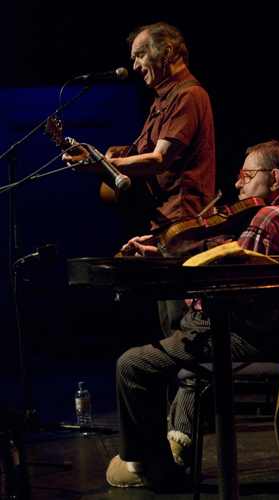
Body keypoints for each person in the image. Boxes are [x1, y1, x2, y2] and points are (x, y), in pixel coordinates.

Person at [105, 140, 279, 490]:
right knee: (187, 363)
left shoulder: (267, 218)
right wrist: (164, 255)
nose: (238, 184)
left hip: (241, 336)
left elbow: (234, 291)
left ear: (274, 178)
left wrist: (182, 286)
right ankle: (172, 444)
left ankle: (150, 466)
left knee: (132, 363)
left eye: (245, 175)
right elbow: (226, 251)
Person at [63, 21, 216, 336]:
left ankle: (195, 386)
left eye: (140, 55)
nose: (134, 66)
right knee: (169, 326)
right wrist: (100, 160)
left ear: (167, 51)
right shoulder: (162, 101)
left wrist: (101, 162)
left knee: (183, 331)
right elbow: (140, 158)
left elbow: (159, 159)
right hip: (163, 224)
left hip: (183, 226)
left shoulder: (188, 95)